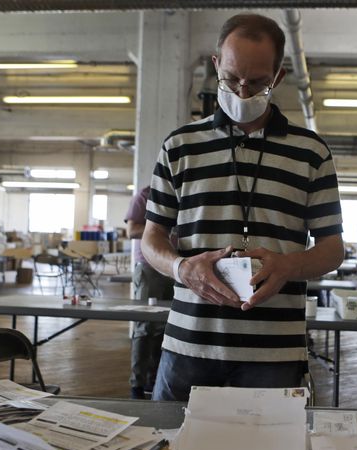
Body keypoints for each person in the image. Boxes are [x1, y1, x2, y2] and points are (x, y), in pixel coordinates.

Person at [142, 13, 345, 402]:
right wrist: (181, 268)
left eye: (256, 82)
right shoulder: (179, 146)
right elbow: (151, 238)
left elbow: (333, 248)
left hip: (274, 353)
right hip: (190, 345)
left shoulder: (311, 152)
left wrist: (289, 265)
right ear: (216, 64)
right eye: (231, 78)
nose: (241, 90)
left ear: (278, 78)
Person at [124, 186, 175, 399]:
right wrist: (161, 230)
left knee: (165, 327)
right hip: (149, 267)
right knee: (145, 326)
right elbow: (132, 230)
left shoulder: (177, 194)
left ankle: (154, 381)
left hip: (174, 267)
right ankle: (137, 383)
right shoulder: (144, 196)